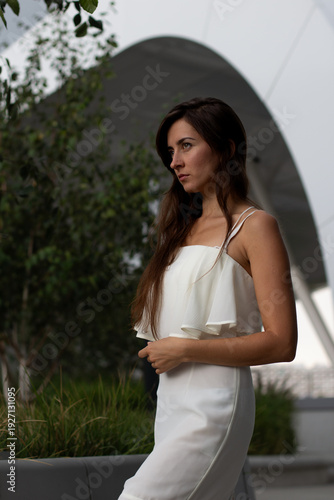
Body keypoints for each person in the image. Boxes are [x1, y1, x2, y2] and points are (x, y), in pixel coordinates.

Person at [118, 97, 297, 500]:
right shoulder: (179, 231)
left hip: (215, 406)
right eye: (170, 151)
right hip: (171, 407)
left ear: (226, 148)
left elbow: (283, 343)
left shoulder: (256, 227)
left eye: (186, 145)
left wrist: (185, 349)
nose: (175, 161)